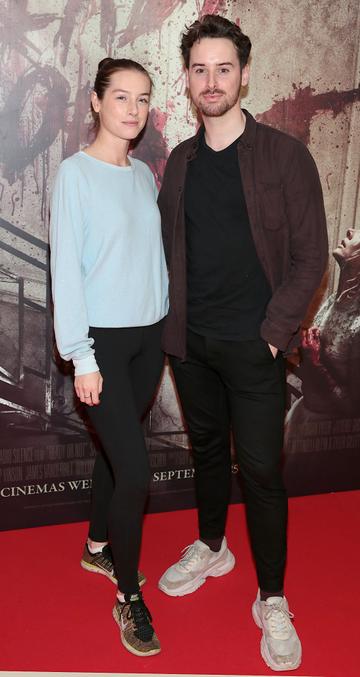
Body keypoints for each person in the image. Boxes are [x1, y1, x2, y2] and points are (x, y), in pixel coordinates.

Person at [157, 14, 328, 672]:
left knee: (259, 472)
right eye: (199, 69)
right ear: (189, 78)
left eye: (223, 68)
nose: (211, 80)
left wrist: (270, 336)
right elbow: (168, 250)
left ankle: (274, 596)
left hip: (254, 345)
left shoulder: (285, 157)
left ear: (245, 74)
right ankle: (211, 545)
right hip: (191, 345)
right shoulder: (180, 161)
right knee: (205, 454)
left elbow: (311, 256)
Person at [50, 57, 168, 657]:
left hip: (149, 339)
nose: (133, 109)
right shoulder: (74, 174)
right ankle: (128, 595)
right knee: (138, 471)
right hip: (103, 343)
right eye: (121, 97)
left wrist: (167, 325)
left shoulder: (145, 175)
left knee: (117, 455)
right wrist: (81, 355)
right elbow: (65, 271)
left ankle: (97, 547)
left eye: (143, 98)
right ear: (95, 102)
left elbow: (151, 262)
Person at [285, 227, 360, 439]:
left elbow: (354, 408)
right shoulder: (332, 301)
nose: (350, 229)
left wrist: (316, 362)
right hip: (301, 418)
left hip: (328, 438)